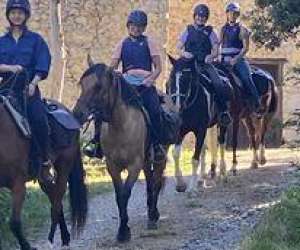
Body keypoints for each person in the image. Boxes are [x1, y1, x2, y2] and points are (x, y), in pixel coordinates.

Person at [84, 10, 165, 158]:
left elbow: (158, 67)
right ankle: (96, 142)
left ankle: (157, 145)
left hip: (145, 84)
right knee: (103, 106)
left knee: (154, 109)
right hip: (127, 83)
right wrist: (107, 73)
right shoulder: (122, 44)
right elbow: (113, 65)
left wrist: (150, 80)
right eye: (133, 25)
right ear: (128, 26)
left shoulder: (149, 42)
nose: (136, 28)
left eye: (140, 26)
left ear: (144, 28)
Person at [0, 0, 54, 184]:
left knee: (39, 119)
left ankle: (46, 163)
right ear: (8, 15)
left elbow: (43, 63)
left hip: (27, 89)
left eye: (20, 13)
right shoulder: (1, 42)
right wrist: (9, 67)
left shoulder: (36, 40)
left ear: (26, 15)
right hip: (5, 89)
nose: (17, 15)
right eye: (13, 12)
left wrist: (33, 84)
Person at [177, 3, 231, 126]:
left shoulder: (211, 32)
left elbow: (216, 49)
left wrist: (211, 56)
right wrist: (183, 53)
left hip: (204, 64)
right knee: (175, 79)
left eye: (203, 17)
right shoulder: (188, 30)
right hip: (189, 64)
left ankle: (223, 111)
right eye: (198, 16)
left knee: (218, 82)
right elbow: (178, 46)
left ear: (206, 18)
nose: (200, 18)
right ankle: (172, 110)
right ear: (194, 16)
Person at [220, 2, 260, 113]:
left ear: (238, 15)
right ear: (227, 14)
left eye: (234, 13)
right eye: (230, 13)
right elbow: (219, 44)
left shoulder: (242, 29)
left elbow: (245, 48)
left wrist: (235, 59)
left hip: (237, 60)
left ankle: (256, 103)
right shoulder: (223, 29)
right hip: (223, 60)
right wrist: (217, 57)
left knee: (246, 78)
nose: (232, 15)